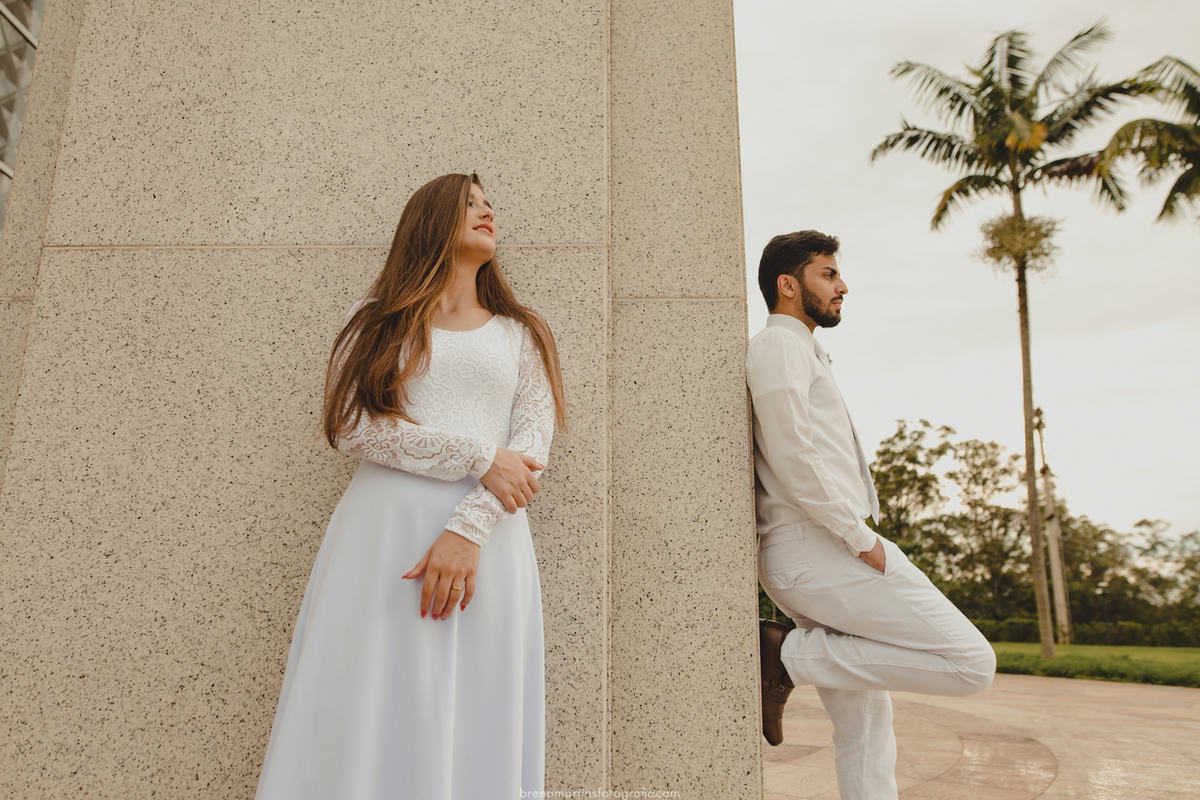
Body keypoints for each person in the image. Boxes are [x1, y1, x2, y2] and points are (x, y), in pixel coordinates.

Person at [255, 173, 566, 800]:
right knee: (364, 698)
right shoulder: (374, 319)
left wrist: (467, 527)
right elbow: (351, 427)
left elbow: (531, 449)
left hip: (490, 541)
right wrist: (479, 455)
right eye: (470, 204)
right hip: (381, 538)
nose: (487, 213)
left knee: (478, 704)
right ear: (429, 222)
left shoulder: (521, 331)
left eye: (489, 205)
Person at [747, 230, 995, 800]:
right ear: (789, 285)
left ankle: (795, 658)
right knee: (970, 663)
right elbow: (794, 454)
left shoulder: (802, 348)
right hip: (821, 549)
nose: (843, 286)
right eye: (827, 274)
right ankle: (785, 654)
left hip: (820, 550)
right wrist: (860, 538)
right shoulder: (779, 346)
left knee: (865, 732)